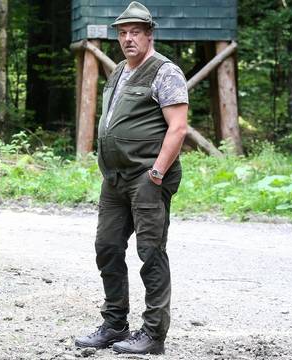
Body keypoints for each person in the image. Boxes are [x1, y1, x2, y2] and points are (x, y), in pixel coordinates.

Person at [74, 1, 188, 355]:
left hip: (148, 177)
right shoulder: (119, 70)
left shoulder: (166, 72)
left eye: (135, 32)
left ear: (149, 34)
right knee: (106, 247)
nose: (128, 39)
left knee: (151, 253)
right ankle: (114, 324)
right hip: (115, 179)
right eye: (122, 33)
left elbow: (178, 128)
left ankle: (153, 335)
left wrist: (156, 173)